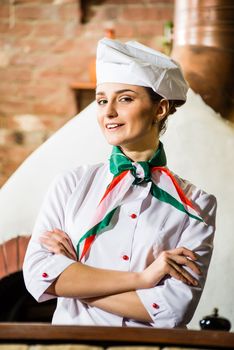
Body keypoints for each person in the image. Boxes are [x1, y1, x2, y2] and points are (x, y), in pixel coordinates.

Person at [23, 38, 217, 328]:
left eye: (124, 98)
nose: (108, 111)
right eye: (102, 100)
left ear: (160, 108)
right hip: (73, 345)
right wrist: (143, 278)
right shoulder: (70, 184)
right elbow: (38, 275)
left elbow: (173, 311)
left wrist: (74, 279)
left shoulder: (198, 204)